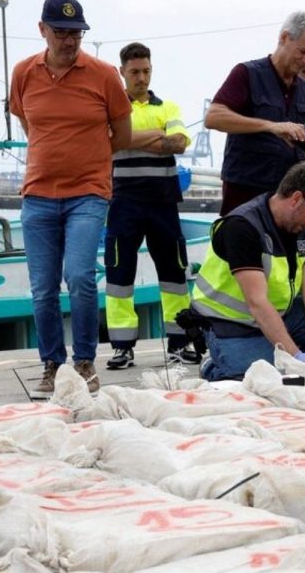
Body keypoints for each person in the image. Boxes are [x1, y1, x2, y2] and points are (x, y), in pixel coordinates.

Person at [9, 0, 132, 398]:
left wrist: (86, 158)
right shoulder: (23, 73)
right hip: (38, 195)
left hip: (88, 194)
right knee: (43, 287)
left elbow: (123, 135)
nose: (69, 40)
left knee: (79, 276)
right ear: (42, 30)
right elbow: (28, 123)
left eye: (76, 33)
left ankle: (84, 362)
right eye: (61, 32)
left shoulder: (104, 75)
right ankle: (51, 365)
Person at [190, 161, 305, 381]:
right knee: (259, 374)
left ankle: (280, 350)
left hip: (281, 314)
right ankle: (214, 366)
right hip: (230, 323)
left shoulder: (303, 230)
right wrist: (295, 356)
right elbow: (257, 302)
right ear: (296, 199)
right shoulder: (243, 226)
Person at [104, 42, 200, 371]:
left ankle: (180, 342)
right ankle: (122, 347)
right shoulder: (112, 109)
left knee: (174, 273)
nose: (141, 78)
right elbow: (107, 142)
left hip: (163, 203)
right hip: (123, 203)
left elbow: (179, 143)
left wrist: (128, 137)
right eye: (134, 72)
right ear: (122, 72)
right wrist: (156, 135)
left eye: (146, 71)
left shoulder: (168, 106)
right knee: (119, 274)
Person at [205, 11, 305, 215]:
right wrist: (270, 126)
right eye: (303, 52)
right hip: (246, 194)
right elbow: (213, 117)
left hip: (288, 199)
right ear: (284, 37)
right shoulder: (246, 74)